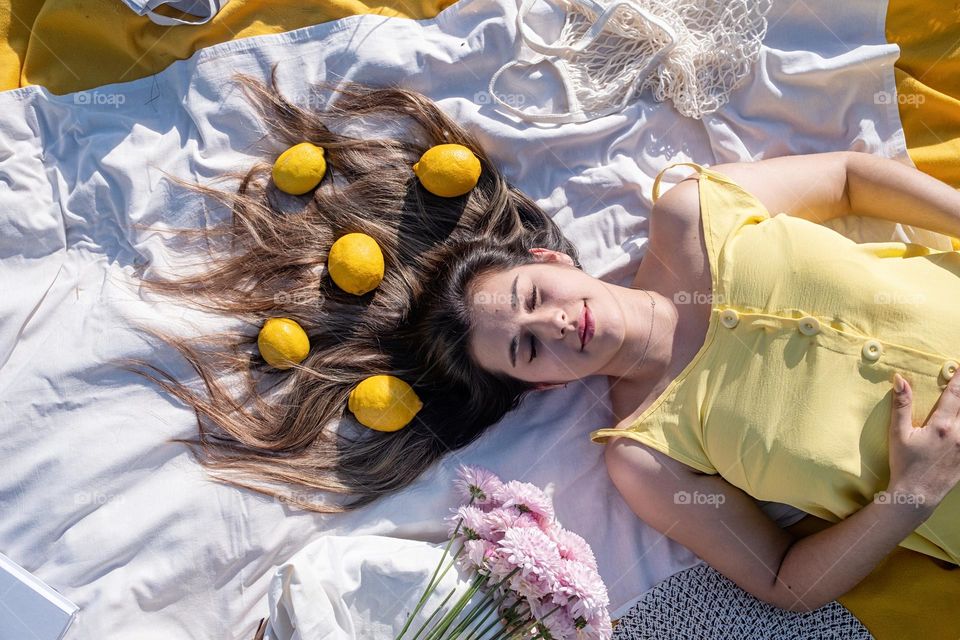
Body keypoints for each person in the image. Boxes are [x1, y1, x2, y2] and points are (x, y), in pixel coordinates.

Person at [135, 73, 960, 612]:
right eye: (528, 348)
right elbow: (786, 584)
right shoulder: (646, 458)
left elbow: (853, 177)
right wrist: (913, 493)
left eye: (534, 299)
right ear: (546, 388)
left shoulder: (689, 216)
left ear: (549, 259)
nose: (558, 324)